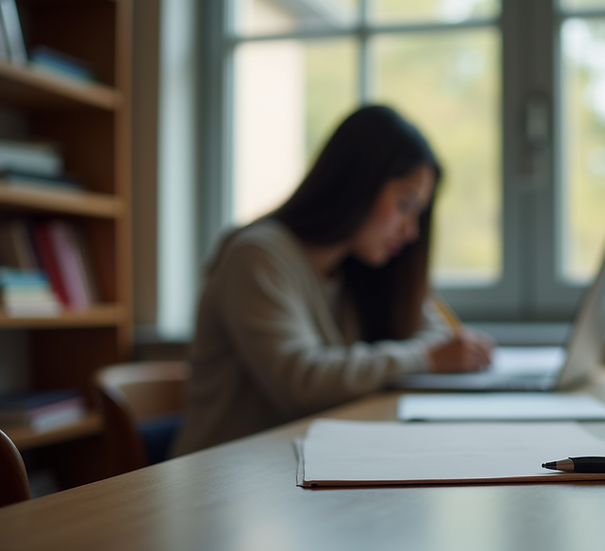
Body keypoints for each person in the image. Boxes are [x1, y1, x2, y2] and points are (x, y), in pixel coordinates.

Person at [172, 105, 494, 455]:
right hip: (223, 479)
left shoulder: (359, 267)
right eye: (404, 205)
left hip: (301, 465)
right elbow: (302, 383)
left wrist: (431, 352)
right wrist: (427, 358)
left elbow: (438, 334)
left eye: (418, 213)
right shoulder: (257, 255)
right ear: (358, 183)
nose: (411, 231)